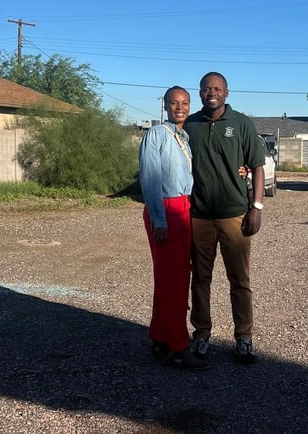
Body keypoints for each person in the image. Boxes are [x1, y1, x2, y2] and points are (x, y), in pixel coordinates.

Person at [183, 72, 267, 364]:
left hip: (235, 215)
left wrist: (256, 206)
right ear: (200, 92)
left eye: (217, 89)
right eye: (206, 89)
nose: (211, 93)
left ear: (227, 93)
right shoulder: (190, 125)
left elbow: (257, 166)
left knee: (239, 279)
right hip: (200, 215)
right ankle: (201, 335)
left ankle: (244, 337)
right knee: (200, 279)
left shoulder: (241, 123)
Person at [138, 86, 208, 370]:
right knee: (175, 279)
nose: (180, 108)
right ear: (165, 106)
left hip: (183, 207)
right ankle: (178, 348)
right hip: (166, 208)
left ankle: (159, 336)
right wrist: (160, 220)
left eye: (185, 103)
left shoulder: (184, 138)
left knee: (172, 277)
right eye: (174, 103)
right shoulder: (157, 135)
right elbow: (150, 179)